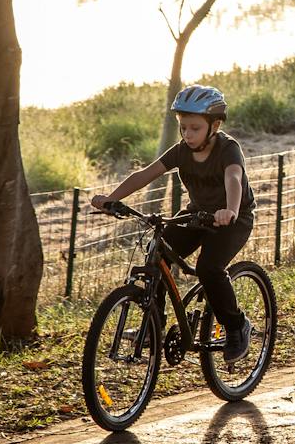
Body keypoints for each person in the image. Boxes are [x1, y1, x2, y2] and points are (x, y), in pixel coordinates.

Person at [92, 85, 255, 360]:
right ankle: (152, 324)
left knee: (208, 268)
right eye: (183, 128)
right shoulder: (181, 151)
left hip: (232, 219)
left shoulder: (228, 149)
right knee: (158, 255)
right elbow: (145, 174)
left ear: (214, 126)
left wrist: (230, 210)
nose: (187, 135)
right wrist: (111, 199)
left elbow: (234, 179)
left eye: (195, 128)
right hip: (196, 215)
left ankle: (237, 326)